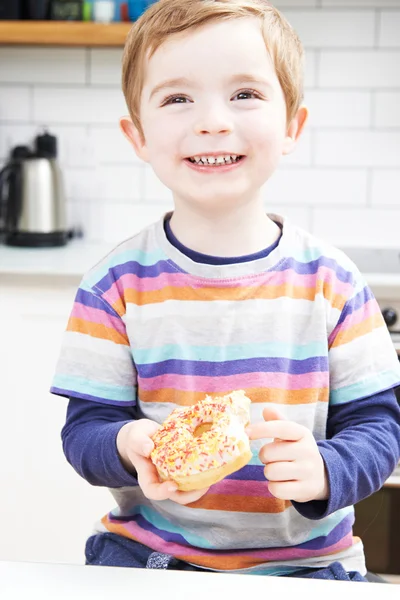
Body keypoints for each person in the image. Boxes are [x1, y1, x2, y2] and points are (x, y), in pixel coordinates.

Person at [51, 0, 400, 581]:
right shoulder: (113, 287)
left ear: (292, 125)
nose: (212, 120)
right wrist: (129, 444)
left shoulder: (334, 284)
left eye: (244, 94)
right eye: (177, 98)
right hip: (154, 557)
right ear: (136, 135)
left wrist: (326, 469)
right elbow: (85, 430)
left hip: (308, 565)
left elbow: (380, 427)